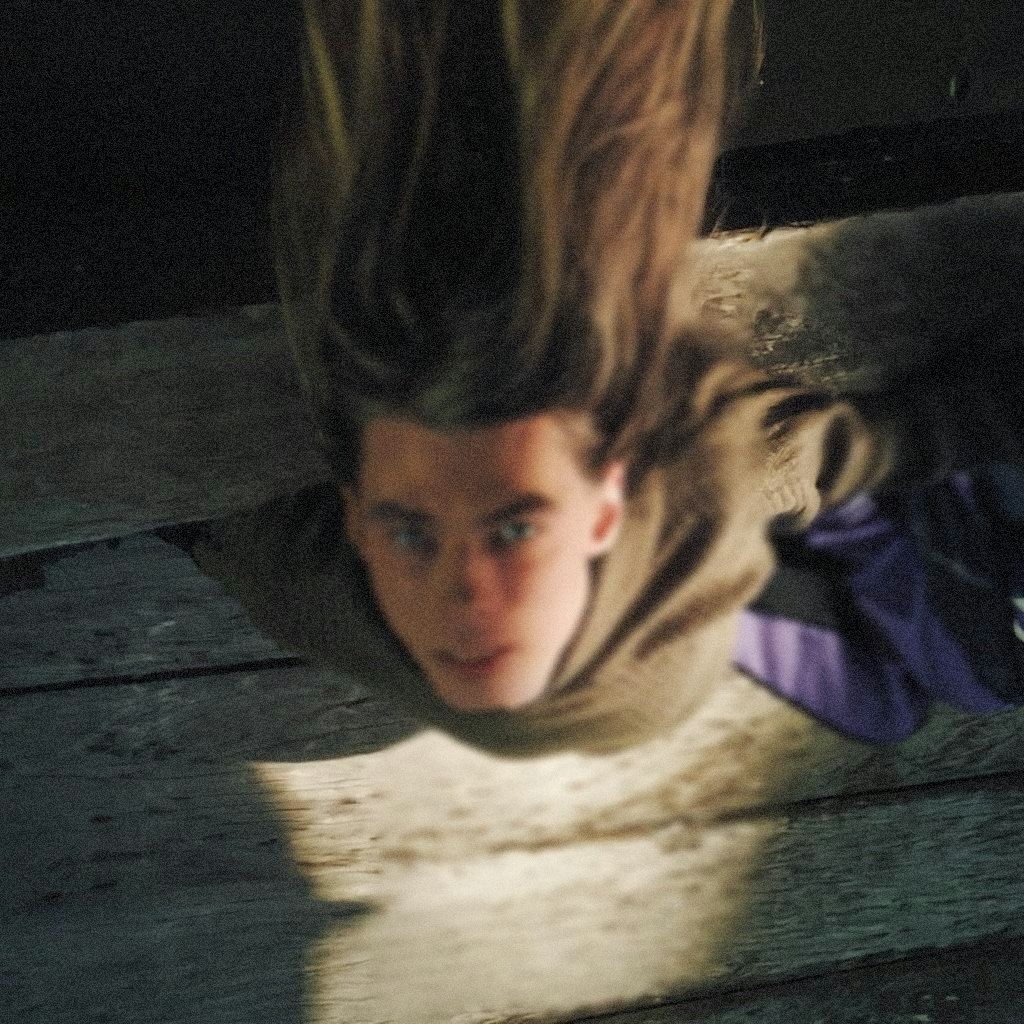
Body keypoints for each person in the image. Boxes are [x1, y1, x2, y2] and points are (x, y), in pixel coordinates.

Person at [176, 0, 1024, 755]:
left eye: (417, 533)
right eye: (512, 529)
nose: (464, 597)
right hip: (700, 549)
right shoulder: (704, 489)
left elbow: (844, 449)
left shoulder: (316, 582)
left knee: (915, 687)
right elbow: (840, 449)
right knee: (914, 693)